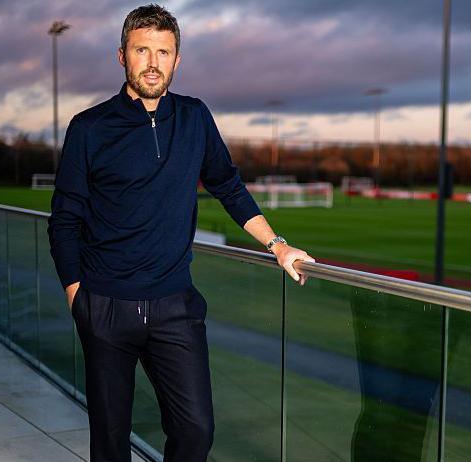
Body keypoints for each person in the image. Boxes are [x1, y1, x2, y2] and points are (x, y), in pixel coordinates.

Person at [47, 4, 315, 461]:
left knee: (196, 432)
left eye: (164, 52)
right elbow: (65, 219)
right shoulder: (89, 128)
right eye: (142, 50)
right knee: (110, 442)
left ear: (177, 60)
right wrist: (78, 296)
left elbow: (227, 185)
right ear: (122, 57)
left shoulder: (194, 117)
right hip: (105, 305)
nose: (153, 62)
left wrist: (277, 244)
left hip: (174, 306)